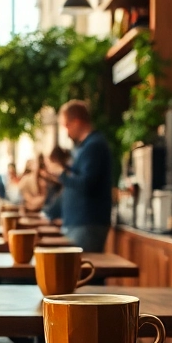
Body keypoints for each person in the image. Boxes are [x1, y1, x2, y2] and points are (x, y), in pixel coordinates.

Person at [44, 100, 112, 252]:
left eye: (66, 125)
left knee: (81, 272)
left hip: (87, 223)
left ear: (77, 122)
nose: (66, 131)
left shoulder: (94, 145)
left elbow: (87, 184)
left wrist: (61, 173)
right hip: (79, 223)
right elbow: (78, 178)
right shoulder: (85, 146)